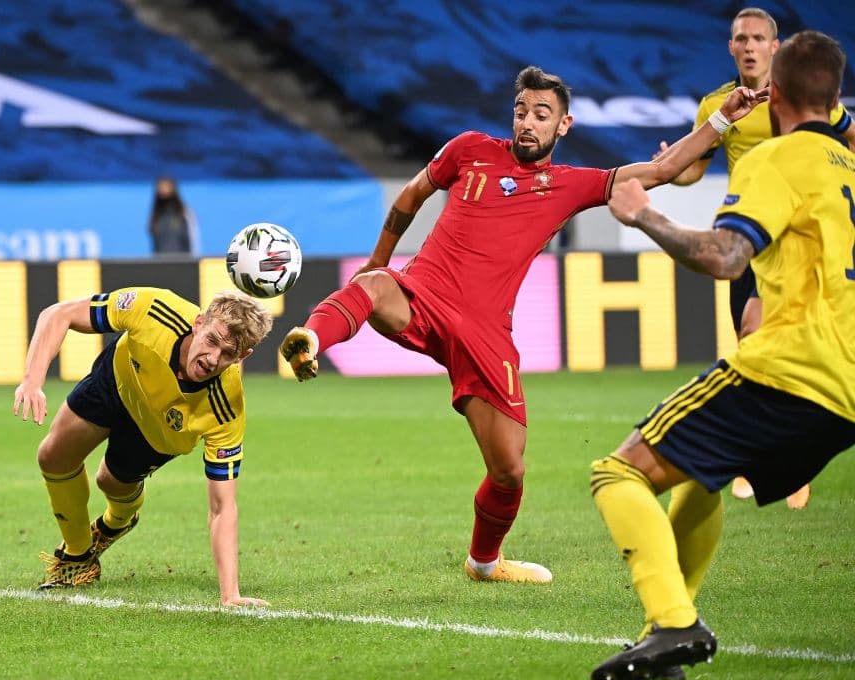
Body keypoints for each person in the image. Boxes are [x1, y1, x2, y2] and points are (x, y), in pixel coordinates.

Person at [279, 66, 765, 585]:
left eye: (541, 115)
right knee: (373, 288)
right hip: (423, 295)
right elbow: (411, 196)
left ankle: (484, 563)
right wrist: (379, 262)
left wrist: (719, 119)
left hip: (486, 334)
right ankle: (310, 337)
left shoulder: (572, 184)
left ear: (564, 126)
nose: (528, 123)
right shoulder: (468, 149)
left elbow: (663, 168)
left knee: (509, 470)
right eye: (521, 112)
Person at [590, 30, 855, 680]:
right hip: (847, 389)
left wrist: (643, 215)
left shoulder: (775, 157)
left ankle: (675, 621)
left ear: (778, 95)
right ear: (835, 96)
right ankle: (666, 637)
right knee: (699, 472)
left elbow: (723, 258)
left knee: (617, 472)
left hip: (790, 369)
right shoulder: (848, 165)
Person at [659, 7, 855, 508]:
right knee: (749, 335)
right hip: (749, 233)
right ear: (731, 47)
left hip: (799, 240)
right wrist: (674, 164)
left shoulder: (806, 97)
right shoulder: (719, 105)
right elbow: (691, 172)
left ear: (776, 47)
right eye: (740, 38)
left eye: (758, 39)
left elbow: (847, 139)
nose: (749, 46)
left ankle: (790, 461)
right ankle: (768, 457)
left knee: (777, 333)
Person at [13, 286, 273, 606]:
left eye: (229, 354)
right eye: (212, 341)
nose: (212, 358)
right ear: (199, 322)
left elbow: (223, 507)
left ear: (243, 357)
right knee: (52, 456)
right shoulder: (153, 308)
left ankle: (119, 519)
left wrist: (229, 594)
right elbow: (58, 314)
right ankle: (77, 558)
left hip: (157, 432)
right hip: (119, 379)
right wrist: (32, 380)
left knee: (109, 481)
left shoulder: (225, 407)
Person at [148, 176, 199, 254]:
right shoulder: (156, 216)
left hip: (182, 262)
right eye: (160, 187)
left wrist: (191, 262)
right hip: (161, 263)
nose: (164, 190)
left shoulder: (184, 212)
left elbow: (192, 240)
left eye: (167, 186)